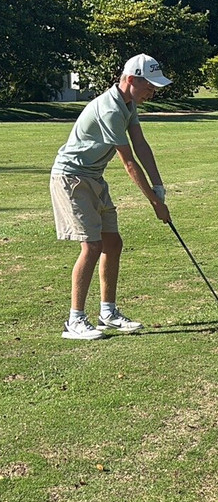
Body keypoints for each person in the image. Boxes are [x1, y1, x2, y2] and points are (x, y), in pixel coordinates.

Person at [50, 54, 173, 340]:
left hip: (93, 177)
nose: (152, 92)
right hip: (72, 178)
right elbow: (128, 161)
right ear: (131, 80)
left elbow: (141, 144)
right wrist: (156, 205)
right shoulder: (110, 110)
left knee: (112, 243)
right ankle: (75, 321)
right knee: (91, 246)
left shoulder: (128, 104)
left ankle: (108, 313)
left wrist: (159, 187)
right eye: (149, 86)